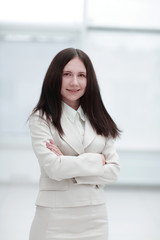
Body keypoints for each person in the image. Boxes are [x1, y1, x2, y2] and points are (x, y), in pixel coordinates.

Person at [28, 48, 120, 240]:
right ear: (55, 77)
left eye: (81, 75)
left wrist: (67, 163)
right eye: (67, 74)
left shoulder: (100, 119)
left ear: (89, 80)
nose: (75, 82)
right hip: (54, 217)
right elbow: (54, 168)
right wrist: (97, 161)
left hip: (95, 217)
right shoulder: (41, 118)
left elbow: (113, 171)